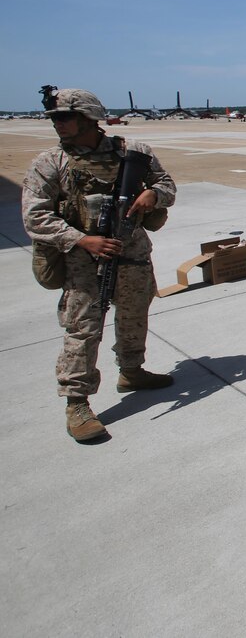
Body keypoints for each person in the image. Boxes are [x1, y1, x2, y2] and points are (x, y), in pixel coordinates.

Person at [22, 88, 177, 442]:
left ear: (89, 118)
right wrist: (81, 239)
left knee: (135, 313)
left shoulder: (132, 153)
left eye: (64, 117)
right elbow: (36, 217)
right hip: (83, 259)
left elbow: (166, 184)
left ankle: (132, 370)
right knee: (83, 328)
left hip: (132, 249)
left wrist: (154, 194)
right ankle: (77, 403)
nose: (58, 125)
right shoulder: (50, 162)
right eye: (55, 119)